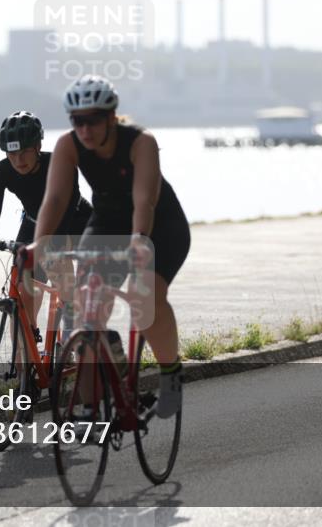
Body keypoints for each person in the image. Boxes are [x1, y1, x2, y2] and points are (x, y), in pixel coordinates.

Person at [28, 75, 190, 418]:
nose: (84, 129)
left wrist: (137, 242)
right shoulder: (68, 146)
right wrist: (37, 245)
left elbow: (144, 200)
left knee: (147, 301)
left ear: (111, 117)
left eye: (92, 120)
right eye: (77, 121)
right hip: (107, 222)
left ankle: (171, 376)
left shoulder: (140, 142)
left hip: (160, 225)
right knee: (87, 314)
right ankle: (93, 408)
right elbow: (54, 199)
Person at [0, 110, 91, 327]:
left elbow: (66, 207)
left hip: (75, 220)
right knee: (23, 291)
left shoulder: (60, 164)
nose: (18, 160)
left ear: (38, 146)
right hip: (34, 222)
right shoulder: (1, 172)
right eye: (12, 154)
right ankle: (24, 355)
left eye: (25, 152)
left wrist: (53, 246)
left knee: (60, 270)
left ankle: (71, 343)